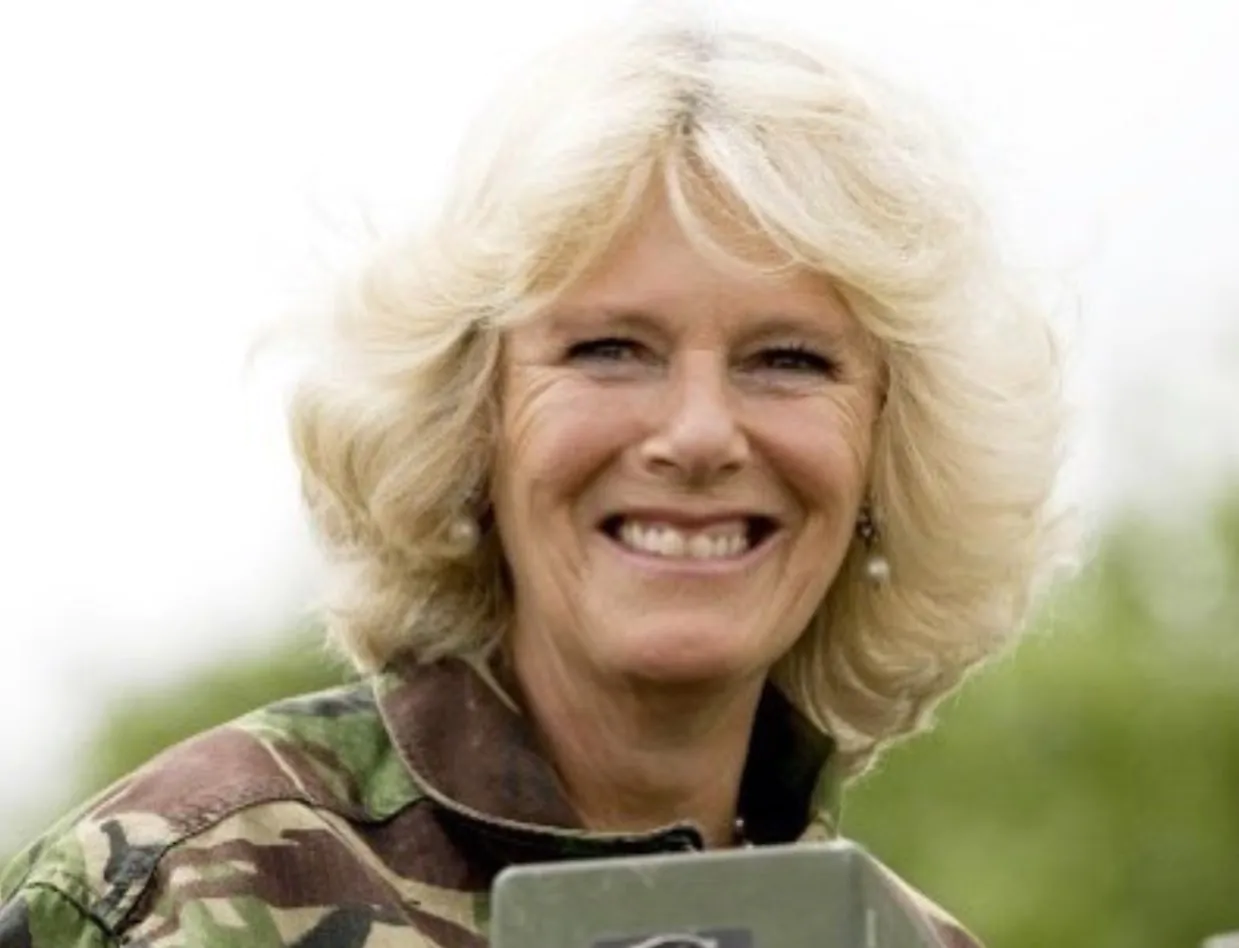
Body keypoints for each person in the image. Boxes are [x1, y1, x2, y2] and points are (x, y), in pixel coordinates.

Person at [0, 9, 1071, 948]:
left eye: (787, 360)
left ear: (889, 448)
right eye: (610, 349)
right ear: (477, 423)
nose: (700, 434)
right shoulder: (186, 889)